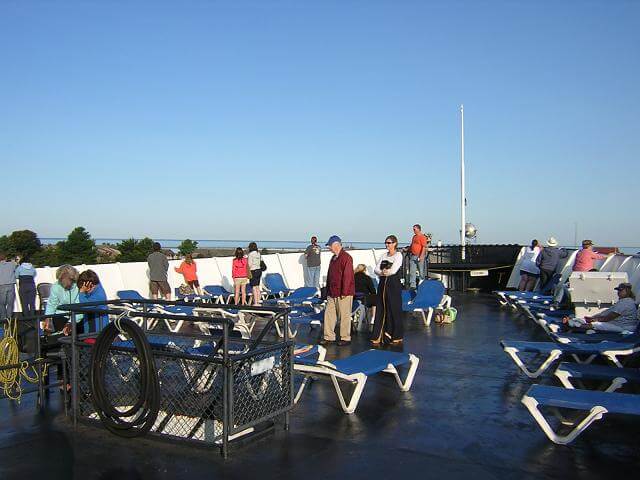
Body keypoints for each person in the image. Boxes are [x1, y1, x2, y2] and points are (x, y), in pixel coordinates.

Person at [320, 235, 355, 347]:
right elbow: (330, 275)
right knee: (329, 314)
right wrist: (327, 290)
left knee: (344, 315)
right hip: (332, 291)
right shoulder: (333, 258)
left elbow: (348, 276)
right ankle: (329, 336)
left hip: (343, 292)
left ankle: (345, 337)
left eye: (330, 246)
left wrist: (344, 292)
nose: (329, 248)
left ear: (335, 245)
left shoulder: (346, 258)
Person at [563, 283, 638, 333]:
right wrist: (594, 317)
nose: (618, 292)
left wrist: (595, 319)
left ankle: (573, 325)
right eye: (618, 290)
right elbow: (608, 313)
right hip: (617, 323)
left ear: (627, 291)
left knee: (597, 324)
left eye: (621, 290)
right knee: (593, 320)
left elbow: (609, 317)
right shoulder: (624, 301)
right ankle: (574, 323)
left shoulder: (625, 303)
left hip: (624, 327)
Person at [371, 235, 404, 346]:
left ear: (394, 243)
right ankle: (379, 335)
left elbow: (394, 269)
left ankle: (396, 335)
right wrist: (381, 273)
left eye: (389, 243)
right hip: (383, 283)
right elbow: (376, 269)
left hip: (393, 284)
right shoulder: (384, 255)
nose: (387, 245)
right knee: (382, 307)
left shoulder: (398, 255)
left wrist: (386, 272)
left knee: (394, 308)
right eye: (386, 243)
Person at [70, 269, 109, 334]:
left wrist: (82, 293)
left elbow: (84, 306)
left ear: (89, 284)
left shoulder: (99, 295)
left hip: (97, 332)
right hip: (90, 330)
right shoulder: (90, 293)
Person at [44, 264, 79, 332]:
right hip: (61, 315)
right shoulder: (56, 286)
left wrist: (70, 323)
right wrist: (47, 318)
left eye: (62, 279)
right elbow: (52, 303)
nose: (60, 281)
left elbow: (79, 305)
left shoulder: (78, 286)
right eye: (60, 279)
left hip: (76, 316)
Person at [408, 224, 428, 289]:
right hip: (413, 255)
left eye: (414, 229)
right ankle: (412, 285)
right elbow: (412, 245)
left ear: (418, 229)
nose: (413, 230)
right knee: (412, 271)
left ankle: (422, 284)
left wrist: (421, 256)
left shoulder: (422, 237)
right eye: (413, 229)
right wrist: (407, 249)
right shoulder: (414, 237)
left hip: (419, 256)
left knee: (421, 271)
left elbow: (424, 247)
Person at [0, 252, 17, 320]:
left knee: (2, 303)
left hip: (1, 285)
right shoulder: (12, 264)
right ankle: (9, 318)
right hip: (11, 285)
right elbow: (17, 261)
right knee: (10, 303)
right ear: (6, 258)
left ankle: (3, 318)